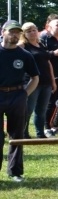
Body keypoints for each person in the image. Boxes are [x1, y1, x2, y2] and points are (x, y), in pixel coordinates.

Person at [0, 21, 40, 182]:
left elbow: (35, 77)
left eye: (17, 32)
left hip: (17, 95)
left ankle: (15, 172)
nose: (15, 35)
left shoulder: (25, 55)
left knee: (17, 135)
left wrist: (25, 94)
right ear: (3, 32)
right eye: (11, 32)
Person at [19, 22, 56, 139]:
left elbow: (48, 63)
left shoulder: (41, 44)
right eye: (28, 31)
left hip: (46, 82)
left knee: (42, 110)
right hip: (31, 82)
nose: (32, 33)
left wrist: (53, 81)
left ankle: (40, 133)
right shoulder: (22, 46)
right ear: (24, 34)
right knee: (28, 109)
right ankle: (23, 133)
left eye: (34, 30)